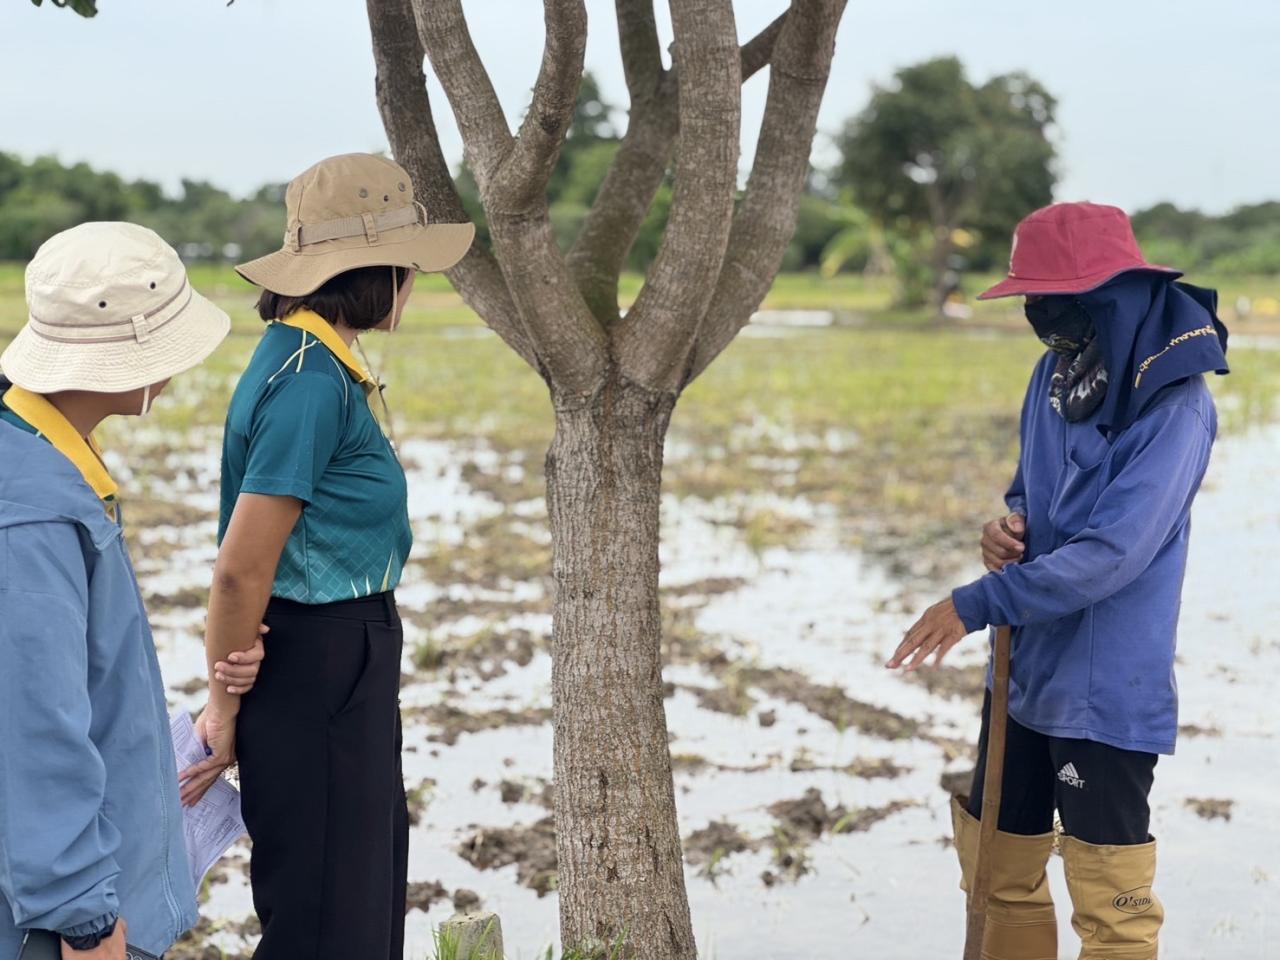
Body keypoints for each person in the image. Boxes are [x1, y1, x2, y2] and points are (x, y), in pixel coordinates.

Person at [886, 202, 1229, 959]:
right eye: (1033, 301)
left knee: (1112, 905)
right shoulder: (1057, 373)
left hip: (1103, 692)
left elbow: (1111, 554)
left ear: (1117, 295)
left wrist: (975, 601)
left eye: (1060, 301)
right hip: (1023, 669)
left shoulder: (1176, 407)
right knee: (996, 871)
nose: (1042, 316)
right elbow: (1029, 493)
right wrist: (1006, 529)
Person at [176, 153, 473, 960]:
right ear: (376, 272)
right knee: (326, 918)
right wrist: (223, 707)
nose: (415, 281)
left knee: (358, 897)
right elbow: (242, 567)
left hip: (345, 655)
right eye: (408, 264)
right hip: (318, 658)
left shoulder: (315, 361)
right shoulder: (309, 380)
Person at [0, 223, 266, 960]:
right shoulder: (30, 511)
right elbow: (34, 725)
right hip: (58, 927)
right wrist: (83, 919)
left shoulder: (41, 458)